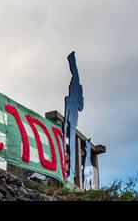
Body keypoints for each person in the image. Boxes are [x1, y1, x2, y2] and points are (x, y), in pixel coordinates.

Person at [64, 51, 84, 183]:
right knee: (71, 146)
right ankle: (70, 173)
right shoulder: (77, 88)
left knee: (71, 146)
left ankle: (71, 174)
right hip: (72, 118)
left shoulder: (75, 88)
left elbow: (78, 106)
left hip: (71, 118)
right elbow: (81, 106)